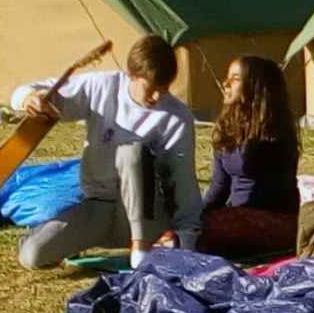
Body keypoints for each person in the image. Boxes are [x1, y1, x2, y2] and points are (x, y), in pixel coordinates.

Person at [12, 35, 202, 269]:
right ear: (131, 75)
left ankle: (140, 250)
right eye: (150, 88)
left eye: (163, 90)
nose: (156, 97)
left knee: (133, 153)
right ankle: (41, 237)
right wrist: (30, 99)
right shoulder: (103, 86)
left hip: (149, 215)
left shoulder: (177, 116)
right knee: (33, 257)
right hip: (99, 206)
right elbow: (42, 94)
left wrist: (187, 237)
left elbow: (183, 180)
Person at [198, 56, 300, 258]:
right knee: (189, 229)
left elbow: (265, 194)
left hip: (273, 219)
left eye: (235, 78)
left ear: (255, 87)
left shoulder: (274, 136)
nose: (225, 84)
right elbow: (219, 188)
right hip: (236, 216)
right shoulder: (227, 128)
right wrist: (194, 217)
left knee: (208, 232)